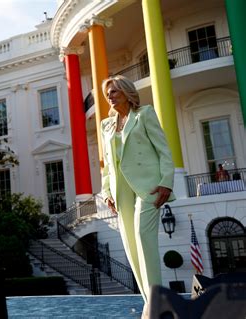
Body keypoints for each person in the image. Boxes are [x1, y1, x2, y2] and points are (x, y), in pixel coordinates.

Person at [100, 75, 175, 317]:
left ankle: (157, 302)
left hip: (149, 186)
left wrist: (166, 182)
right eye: (107, 93)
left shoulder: (145, 114)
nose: (109, 96)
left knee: (144, 237)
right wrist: (107, 191)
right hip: (121, 190)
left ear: (126, 92)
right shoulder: (106, 125)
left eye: (114, 91)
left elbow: (163, 150)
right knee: (131, 247)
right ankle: (151, 304)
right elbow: (107, 163)